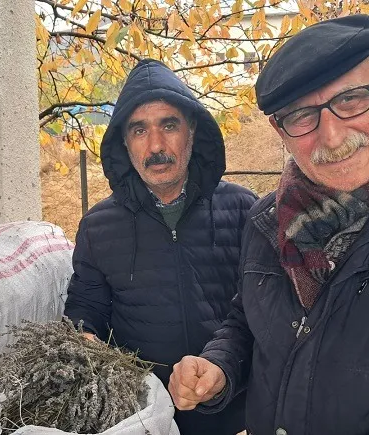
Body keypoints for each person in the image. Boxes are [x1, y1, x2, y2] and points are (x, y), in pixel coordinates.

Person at [168, 14, 369, 434]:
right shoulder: (266, 222)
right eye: (303, 116)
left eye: (350, 100)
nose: (331, 135)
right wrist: (219, 366)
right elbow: (248, 322)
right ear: (281, 130)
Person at [63, 58, 256, 434]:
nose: (156, 146)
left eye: (169, 125)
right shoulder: (97, 227)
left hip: (236, 414)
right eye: (139, 130)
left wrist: (224, 370)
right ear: (123, 141)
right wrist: (83, 337)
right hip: (144, 417)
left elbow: (262, 313)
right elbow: (86, 308)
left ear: (193, 130)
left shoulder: (244, 210)